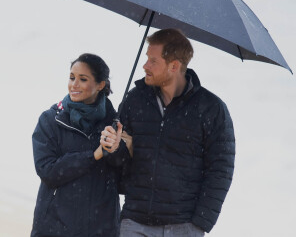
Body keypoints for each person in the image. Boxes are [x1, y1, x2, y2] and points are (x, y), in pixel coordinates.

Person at [101, 29, 235, 236]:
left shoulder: (211, 108)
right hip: (135, 222)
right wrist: (113, 147)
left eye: (153, 61)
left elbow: (220, 169)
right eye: (146, 58)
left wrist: (201, 222)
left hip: (184, 225)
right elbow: (120, 161)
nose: (145, 65)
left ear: (174, 66)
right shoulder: (135, 99)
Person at [31, 53, 127, 237]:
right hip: (53, 229)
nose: (74, 85)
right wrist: (93, 155)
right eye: (72, 77)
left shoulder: (116, 126)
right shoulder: (51, 120)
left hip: (101, 230)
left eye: (82, 79)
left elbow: (125, 181)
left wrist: (116, 149)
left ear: (101, 85)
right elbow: (48, 171)